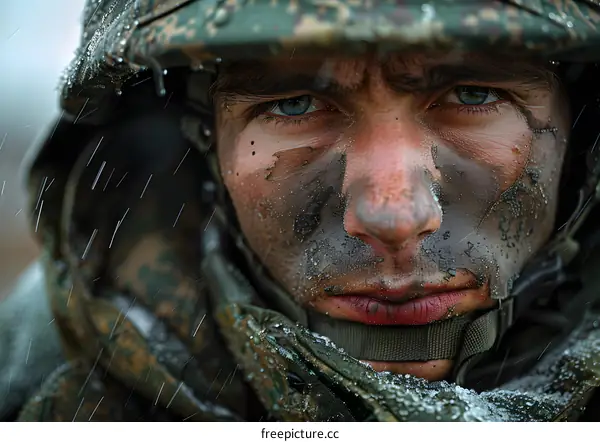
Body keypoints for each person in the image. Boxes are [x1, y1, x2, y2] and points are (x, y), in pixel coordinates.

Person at [2, 0, 600, 422]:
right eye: (292, 104)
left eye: (474, 96)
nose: (394, 218)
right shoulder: (39, 383)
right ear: (204, 139)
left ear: (581, 129)